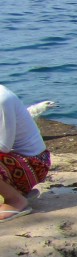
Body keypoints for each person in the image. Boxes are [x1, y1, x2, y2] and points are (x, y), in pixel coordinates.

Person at [0, 84, 51, 222]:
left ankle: (15, 201)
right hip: (12, 162)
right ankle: (17, 192)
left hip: (35, 163)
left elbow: (3, 146)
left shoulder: (2, 98)